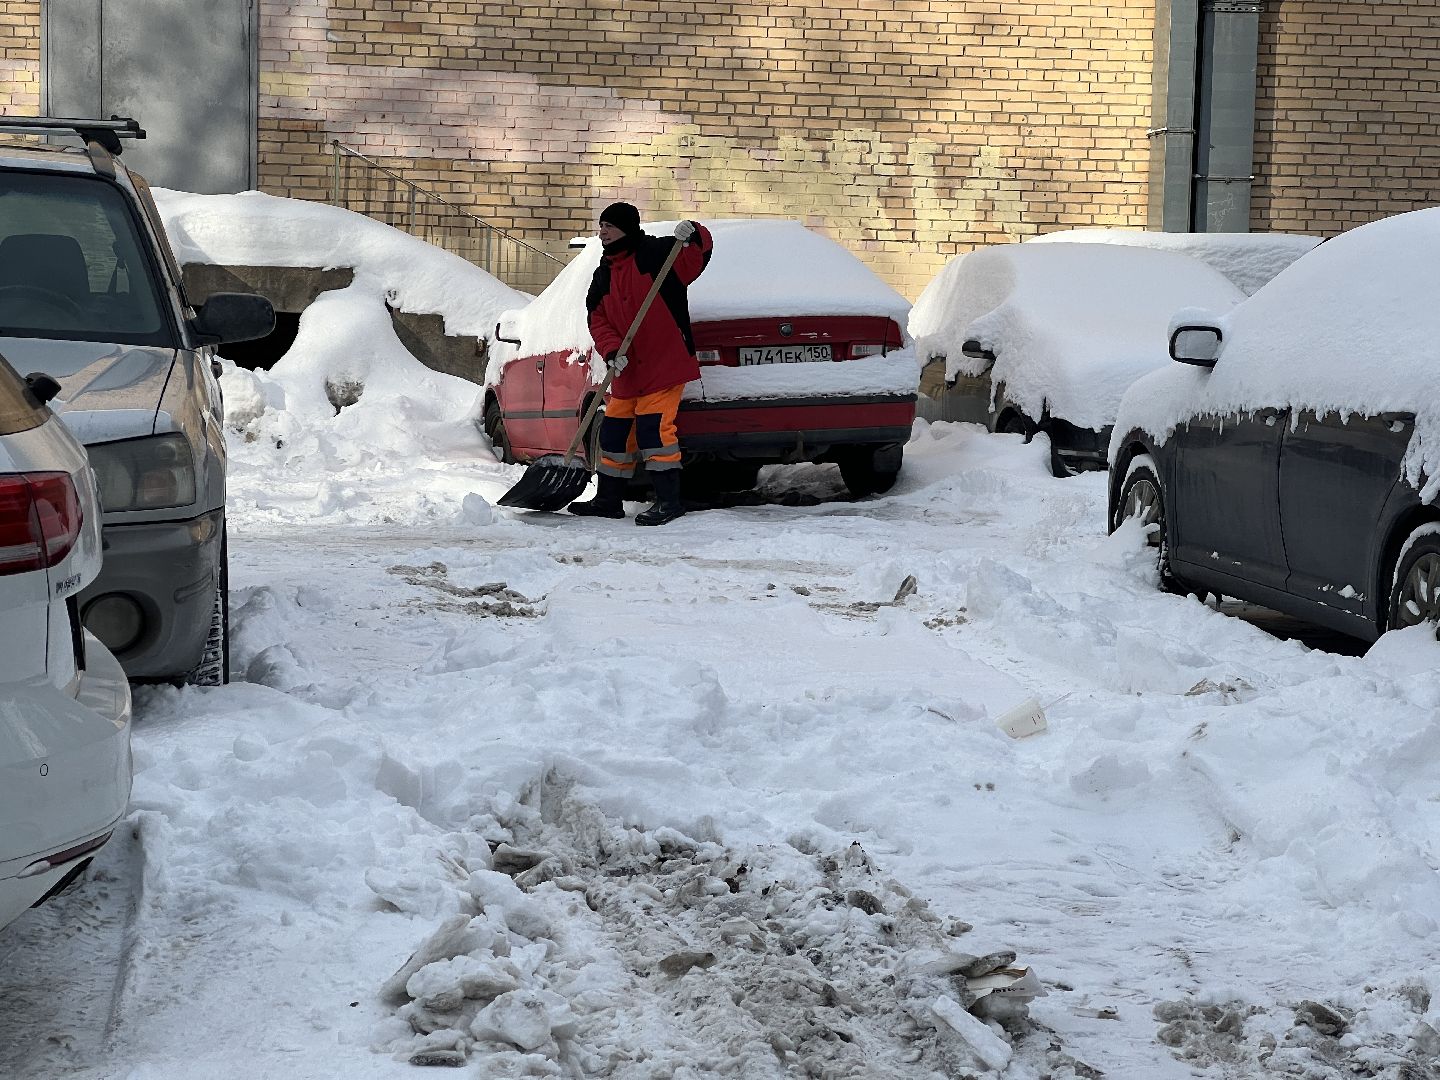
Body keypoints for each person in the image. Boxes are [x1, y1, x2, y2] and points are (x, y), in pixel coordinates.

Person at [567, 202, 713, 526]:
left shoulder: (657, 254)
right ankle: (608, 500)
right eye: (601, 226)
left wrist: (695, 233)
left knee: (654, 431)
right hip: (627, 371)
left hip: (664, 364)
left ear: (626, 228)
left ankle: (669, 502)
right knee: (614, 434)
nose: (602, 232)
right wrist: (611, 351)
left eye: (609, 226)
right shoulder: (604, 274)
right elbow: (597, 319)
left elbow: (696, 258)